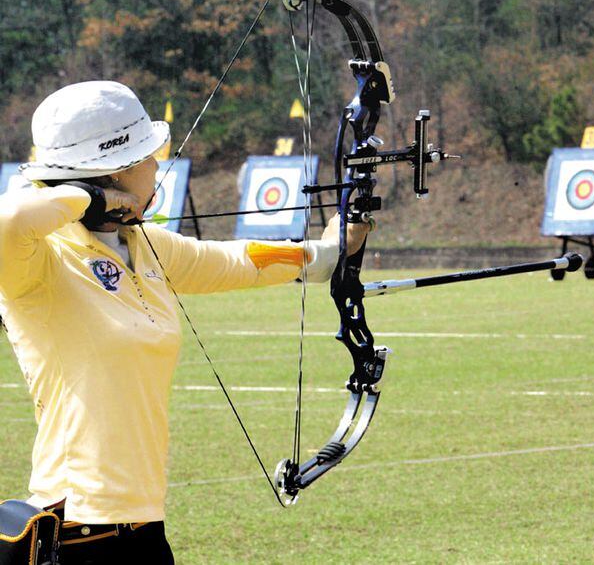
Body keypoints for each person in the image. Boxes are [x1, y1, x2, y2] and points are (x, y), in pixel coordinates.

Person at [0, 81, 370, 564]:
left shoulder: (146, 245)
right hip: (74, 529)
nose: (157, 166)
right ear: (118, 171)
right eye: (148, 157)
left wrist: (332, 247)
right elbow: (9, 218)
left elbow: (244, 260)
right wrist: (91, 197)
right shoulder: (37, 261)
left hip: (143, 528)